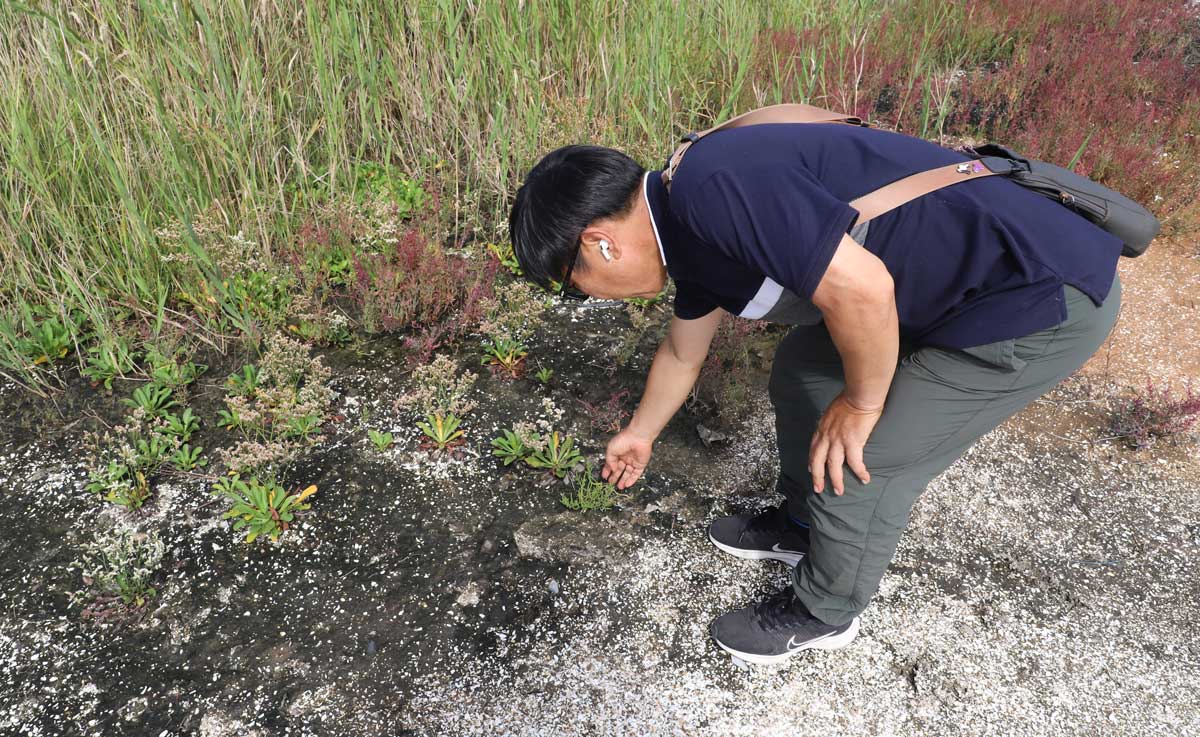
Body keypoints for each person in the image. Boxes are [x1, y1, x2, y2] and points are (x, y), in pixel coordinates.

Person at [507, 121, 1123, 665]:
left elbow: (864, 291)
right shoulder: (684, 211)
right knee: (805, 368)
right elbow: (680, 351)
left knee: (865, 457)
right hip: (957, 284)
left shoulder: (711, 193)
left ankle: (825, 610)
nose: (588, 298)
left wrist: (861, 405)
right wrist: (640, 433)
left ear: (598, 243)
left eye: (574, 285)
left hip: (1036, 299)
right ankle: (803, 523)